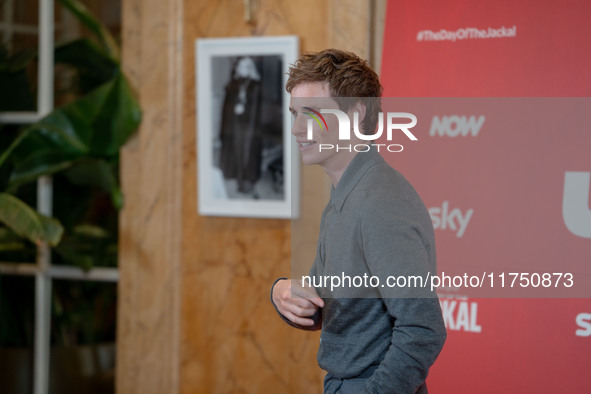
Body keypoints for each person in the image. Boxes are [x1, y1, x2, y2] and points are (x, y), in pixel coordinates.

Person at [270, 49, 446, 394]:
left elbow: (423, 328)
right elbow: (330, 310)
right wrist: (282, 293)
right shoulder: (346, 194)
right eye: (294, 114)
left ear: (356, 113)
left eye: (311, 114)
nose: (295, 129)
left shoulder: (379, 202)